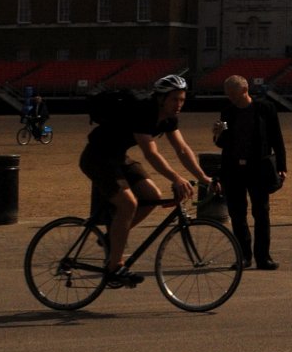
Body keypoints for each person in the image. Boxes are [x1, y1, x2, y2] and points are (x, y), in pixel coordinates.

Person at [78, 74, 211, 286]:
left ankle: (111, 236)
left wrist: (203, 177)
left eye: (182, 99)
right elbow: (150, 153)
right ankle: (115, 267)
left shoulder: (168, 118)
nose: (179, 104)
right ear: (161, 99)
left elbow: (183, 150)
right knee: (128, 203)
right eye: (174, 99)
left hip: (119, 156)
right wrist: (176, 178)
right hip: (97, 157)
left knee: (152, 196)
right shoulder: (143, 110)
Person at [213, 74, 287, 270]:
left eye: (233, 93)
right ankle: (243, 256)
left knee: (261, 213)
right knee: (237, 215)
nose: (230, 97)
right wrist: (217, 134)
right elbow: (222, 144)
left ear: (244, 90)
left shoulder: (265, 108)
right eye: (227, 93)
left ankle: (263, 257)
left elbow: (276, 139)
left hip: (259, 168)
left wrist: (282, 166)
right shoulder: (227, 112)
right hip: (233, 169)